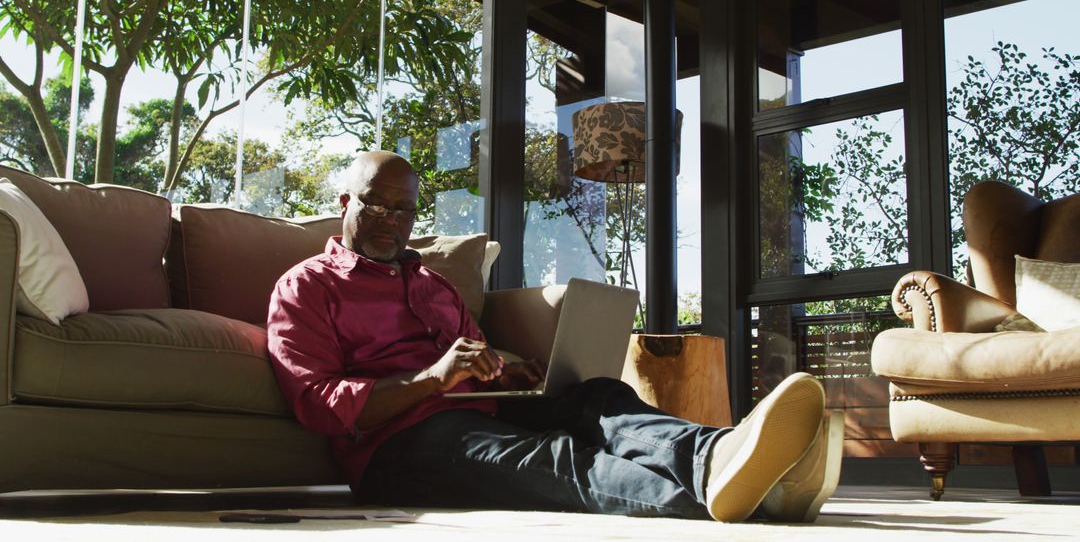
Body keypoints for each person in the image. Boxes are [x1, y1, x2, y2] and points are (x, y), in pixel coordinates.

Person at [267, 151, 841, 522]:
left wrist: (505, 371)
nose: (391, 220)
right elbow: (320, 404)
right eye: (376, 205)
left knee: (598, 398)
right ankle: (761, 495)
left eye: (404, 209)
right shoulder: (306, 288)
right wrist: (433, 377)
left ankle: (718, 454)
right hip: (396, 446)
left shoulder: (435, 287)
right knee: (560, 461)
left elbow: (474, 362)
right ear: (344, 203)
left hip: (477, 412)